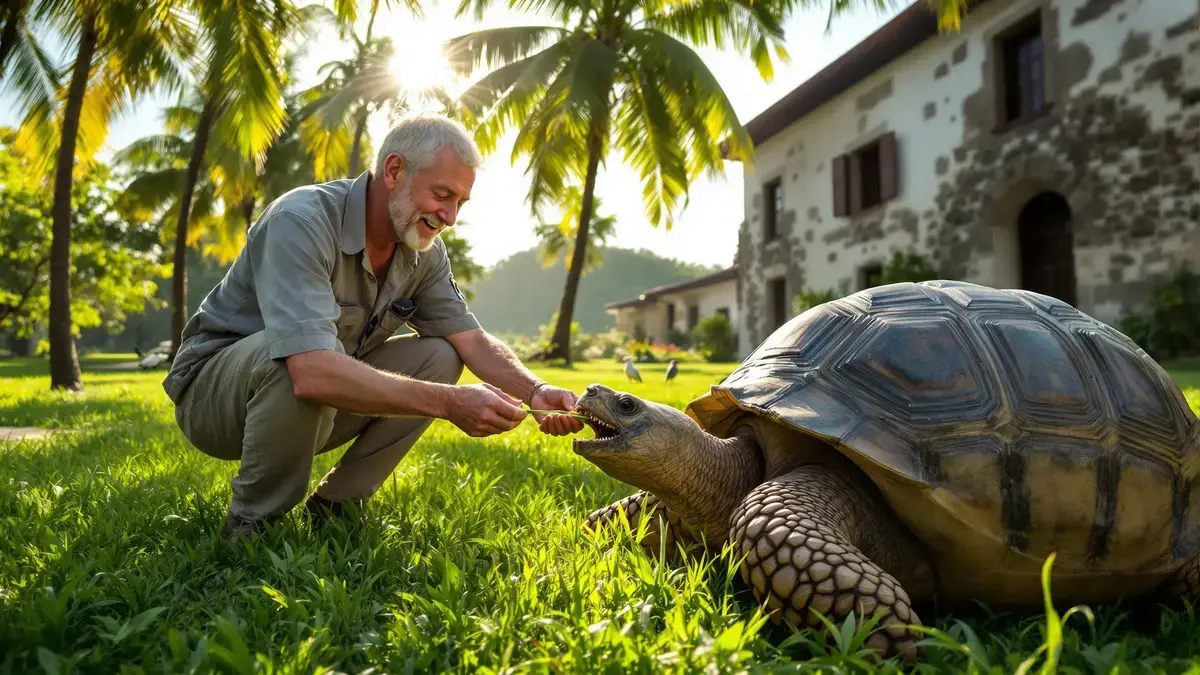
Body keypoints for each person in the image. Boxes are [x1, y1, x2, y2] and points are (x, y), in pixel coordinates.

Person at [162, 112, 584, 538]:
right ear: (394, 170)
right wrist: (449, 403)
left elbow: (470, 339)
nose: (451, 216)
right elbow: (309, 371)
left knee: (441, 353)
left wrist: (536, 391)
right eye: (442, 194)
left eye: (460, 202)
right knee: (290, 355)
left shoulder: (424, 252)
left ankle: (336, 507)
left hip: (312, 402)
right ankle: (253, 528)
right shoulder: (302, 220)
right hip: (215, 400)